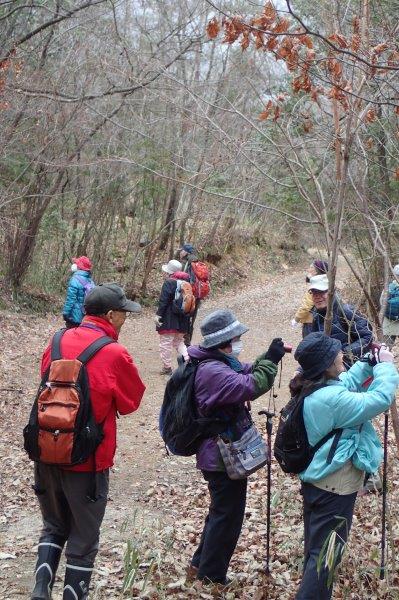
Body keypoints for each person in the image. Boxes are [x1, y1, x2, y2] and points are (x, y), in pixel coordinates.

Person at [30, 283, 145, 600]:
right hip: (88, 460)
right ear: (110, 314)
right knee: (83, 538)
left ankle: (41, 589)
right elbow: (130, 402)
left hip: (46, 451)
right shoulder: (114, 352)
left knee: (54, 525)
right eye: (123, 313)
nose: (125, 319)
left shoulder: (56, 341)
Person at [291, 332, 398, 599]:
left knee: (317, 549)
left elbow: (346, 382)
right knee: (326, 557)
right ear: (327, 364)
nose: (342, 355)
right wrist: (385, 366)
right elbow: (378, 400)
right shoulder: (331, 400)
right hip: (334, 489)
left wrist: (367, 362)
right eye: (337, 353)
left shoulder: (314, 386)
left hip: (317, 481)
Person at [187, 309, 287, 586]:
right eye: (237, 338)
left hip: (218, 451)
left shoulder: (216, 361)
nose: (239, 343)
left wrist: (268, 357)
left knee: (221, 511)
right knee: (227, 517)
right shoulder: (212, 371)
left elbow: (245, 370)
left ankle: (200, 565)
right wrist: (270, 365)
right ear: (225, 341)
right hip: (219, 455)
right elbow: (251, 385)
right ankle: (212, 576)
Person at [308, 274, 372, 367]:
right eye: (314, 293)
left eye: (321, 292)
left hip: (354, 369)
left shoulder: (345, 311)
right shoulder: (316, 316)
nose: (317, 296)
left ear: (331, 292)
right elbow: (314, 345)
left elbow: (368, 336)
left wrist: (344, 354)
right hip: (330, 371)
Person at [155, 259, 190, 375]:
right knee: (179, 342)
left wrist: (158, 315)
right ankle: (189, 361)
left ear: (170, 272)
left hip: (170, 318)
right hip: (183, 318)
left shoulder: (169, 282)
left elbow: (163, 301)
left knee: (165, 343)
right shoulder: (187, 283)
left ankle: (167, 367)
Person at [292, 260, 329, 338]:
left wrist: (296, 319)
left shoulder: (316, 287)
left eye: (311, 267)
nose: (308, 270)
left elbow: (306, 306)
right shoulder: (326, 283)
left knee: (309, 344)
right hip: (317, 320)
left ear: (316, 271)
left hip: (311, 322)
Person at [179, 243, 203, 344]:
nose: (180, 252)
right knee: (192, 317)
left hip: (188, 294)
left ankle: (184, 339)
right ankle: (188, 339)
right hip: (197, 295)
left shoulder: (185, 263)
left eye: (182, 250)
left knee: (184, 316)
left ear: (186, 252)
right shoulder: (198, 262)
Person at [63, 256, 95, 328]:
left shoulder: (74, 280)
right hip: (85, 318)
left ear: (79, 267)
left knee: (70, 336)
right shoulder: (91, 281)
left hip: (73, 318)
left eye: (76, 263)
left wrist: (65, 314)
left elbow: (70, 300)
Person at [381, 264, 399, 348]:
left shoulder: (388, 287)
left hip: (389, 324)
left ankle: (386, 360)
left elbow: (382, 303)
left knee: (386, 348)